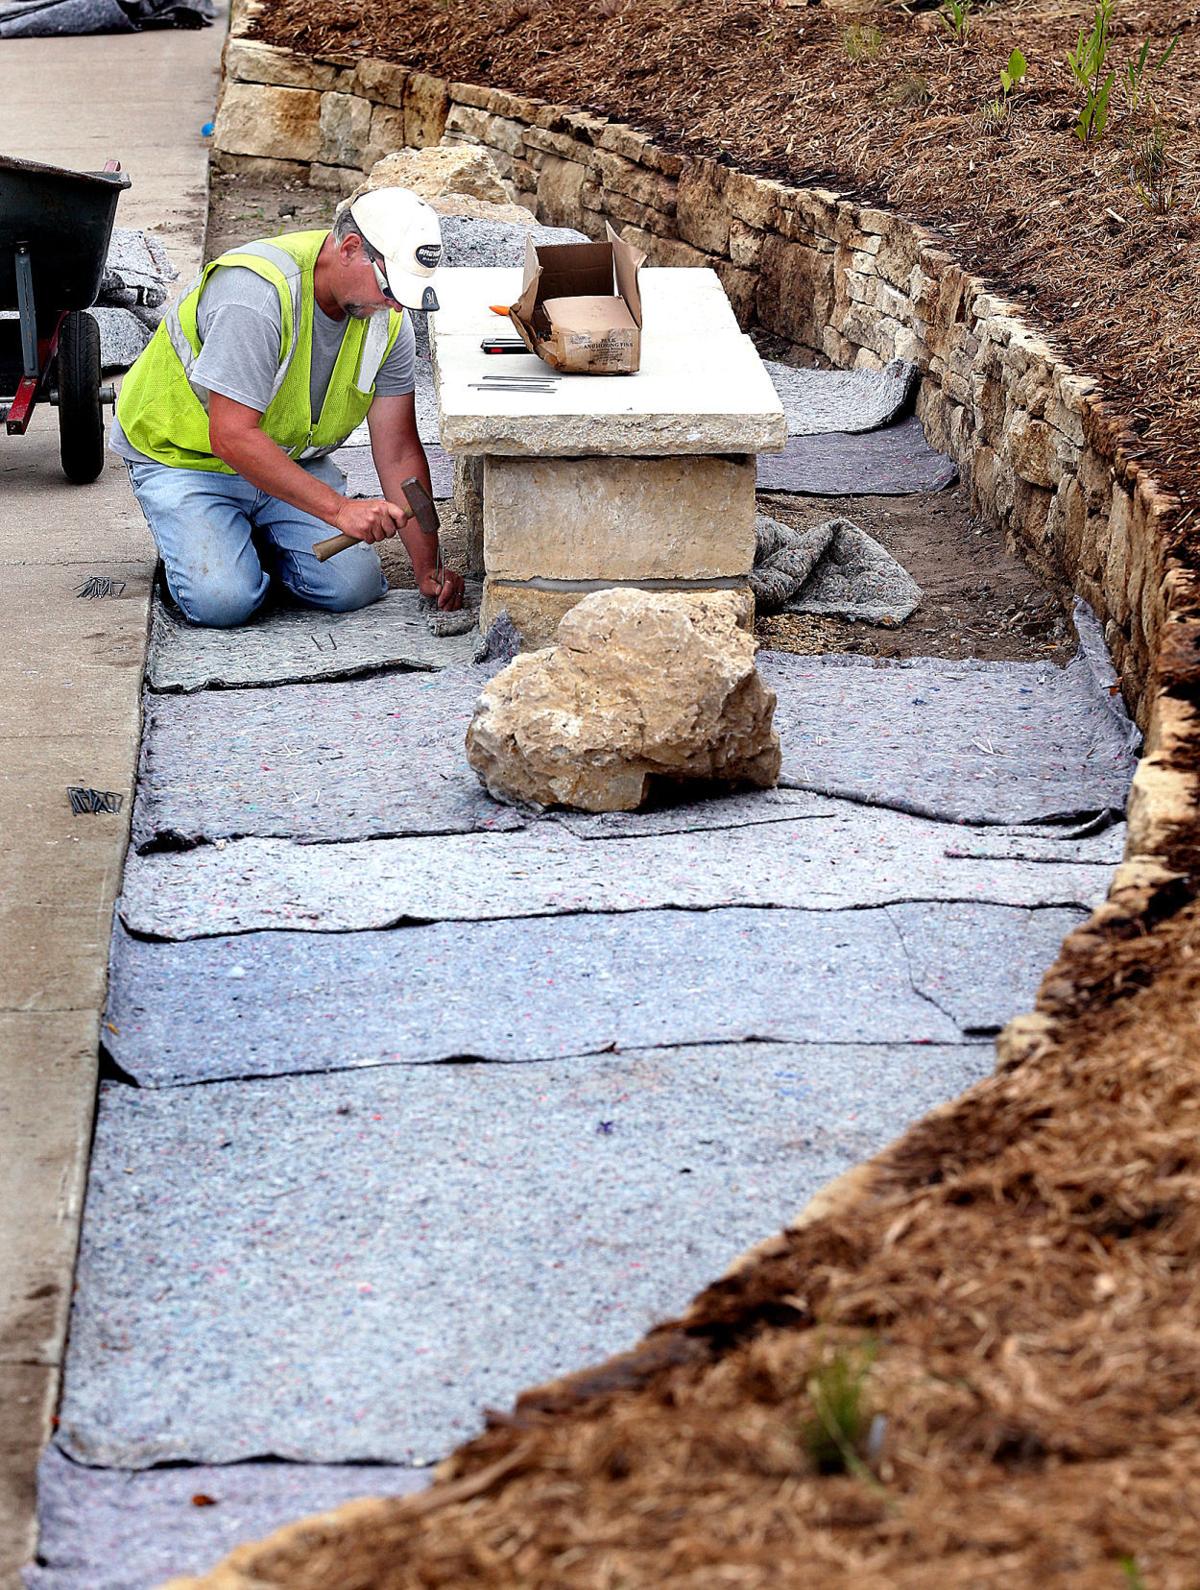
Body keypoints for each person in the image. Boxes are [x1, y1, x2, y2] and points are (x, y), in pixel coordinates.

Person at [111, 186, 465, 627]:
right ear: (350, 248)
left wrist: (425, 566)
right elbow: (231, 436)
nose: (394, 305)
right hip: (187, 459)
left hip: (287, 457)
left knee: (352, 587)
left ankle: (252, 537)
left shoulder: (386, 319)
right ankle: (224, 543)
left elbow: (397, 452)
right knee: (223, 600)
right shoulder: (256, 294)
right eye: (390, 287)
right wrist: (338, 510)